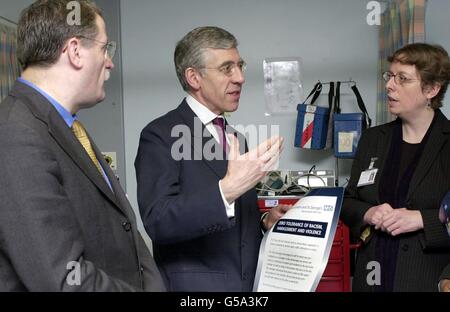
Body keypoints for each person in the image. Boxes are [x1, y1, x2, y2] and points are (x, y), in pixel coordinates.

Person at [0, 0, 165, 291]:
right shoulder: (16, 135)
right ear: (76, 51)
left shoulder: (67, 126)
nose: (110, 61)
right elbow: (62, 280)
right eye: (105, 49)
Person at [135, 26, 291, 292]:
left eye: (240, 66)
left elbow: (232, 218)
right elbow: (158, 221)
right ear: (194, 77)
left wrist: (264, 221)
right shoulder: (159, 135)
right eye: (227, 68)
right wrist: (226, 190)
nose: (240, 77)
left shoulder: (236, 138)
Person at [341, 43, 450, 291]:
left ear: (431, 89)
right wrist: (367, 213)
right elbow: (349, 200)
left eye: (403, 79)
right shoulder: (373, 139)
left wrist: (421, 219)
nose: (390, 85)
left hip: (426, 278)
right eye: (389, 76)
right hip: (372, 278)